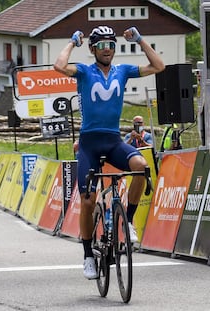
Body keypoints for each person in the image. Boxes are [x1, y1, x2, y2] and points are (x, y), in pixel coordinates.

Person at [54, 25, 164, 279]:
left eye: (111, 45)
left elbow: (159, 66)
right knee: (88, 200)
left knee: (140, 166)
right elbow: (59, 66)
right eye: (102, 45)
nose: (107, 50)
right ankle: (87, 256)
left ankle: (130, 221)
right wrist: (72, 43)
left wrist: (139, 39)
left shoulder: (123, 71)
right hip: (89, 145)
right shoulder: (83, 71)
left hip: (114, 141)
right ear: (92, 49)